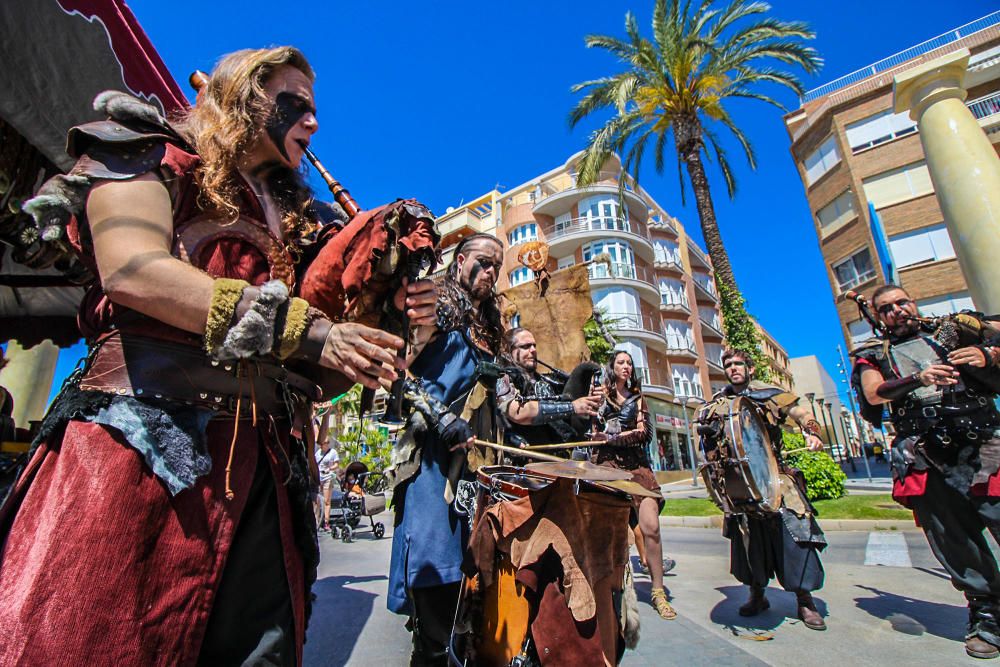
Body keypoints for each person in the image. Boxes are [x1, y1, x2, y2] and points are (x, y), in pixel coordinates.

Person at [0, 47, 437, 666]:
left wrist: (391, 321)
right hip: (138, 456)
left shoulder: (293, 225)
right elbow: (133, 270)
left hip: (263, 477)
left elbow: (314, 376)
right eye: (296, 105)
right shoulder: (144, 148)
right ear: (243, 94)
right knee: (92, 640)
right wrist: (307, 328)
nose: (313, 124)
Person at [852, 284, 1000, 659]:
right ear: (876, 316)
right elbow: (874, 394)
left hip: (985, 446)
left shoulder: (951, 330)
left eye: (902, 302)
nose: (897, 311)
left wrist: (989, 353)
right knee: (953, 540)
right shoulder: (873, 355)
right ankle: (987, 613)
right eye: (886, 308)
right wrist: (919, 379)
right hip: (927, 456)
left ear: (913, 303)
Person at [386, 232, 506, 666]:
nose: (490, 271)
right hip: (431, 463)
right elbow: (397, 371)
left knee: (471, 577)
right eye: (483, 261)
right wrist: (442, 418)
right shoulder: (437, 302)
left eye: (497, 264)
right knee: (435, 574)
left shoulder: (490, 325)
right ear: (459, 263)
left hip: (477, 466)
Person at [698, 348, 829, 631]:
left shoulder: (768, 393)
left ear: (751, 368)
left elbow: (800, 411)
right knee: (746, 540)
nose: (733, 368)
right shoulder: (720, 402)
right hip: (741, 481)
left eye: (738, 364)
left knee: (795, 535)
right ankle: (757, 593)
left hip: (775, 475)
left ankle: (804, 600)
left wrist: (811, 429)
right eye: (729, 364)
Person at [590, 350, 676, 620]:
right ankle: (605, 591)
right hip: (606, 467)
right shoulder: (598, 394)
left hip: (636, 466)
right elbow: (590, 430)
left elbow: (644, 433)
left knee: (651, 526)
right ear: (612, 366)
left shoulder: (638, 399)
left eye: (629, 363)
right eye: (621, 362)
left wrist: (612, 437)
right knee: (607, 532)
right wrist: (599, 434)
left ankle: (658, 592)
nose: (626, 366)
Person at [500, 326, 602, 450]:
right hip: (525, 462)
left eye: (534, 345)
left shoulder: (550, 381)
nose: (532, 350)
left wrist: (588, 399)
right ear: (507, 351)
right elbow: (518, 412)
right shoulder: (503, 378)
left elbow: (573, 422)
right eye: (525, 346)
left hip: (560, 460)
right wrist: (573, 407)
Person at [315, 412, 340, 532]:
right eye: (320, 444)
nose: (321, 446)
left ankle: (326, 522)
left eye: (323, 443)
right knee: (316, 500)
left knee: (326, 501)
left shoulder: (333, 452)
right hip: (318, 477)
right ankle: (316, 520)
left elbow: (336, 465)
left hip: (327, 477)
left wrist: (329, 469)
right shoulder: (317, 453)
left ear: (327, 443)